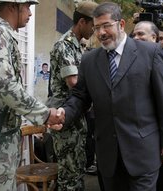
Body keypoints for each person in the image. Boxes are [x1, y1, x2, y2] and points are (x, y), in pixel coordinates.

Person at [50, 2, 163, 191]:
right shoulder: (89, 60)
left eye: (106, 25)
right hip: (108, 157)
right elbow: (80, 97)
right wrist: (65, 113)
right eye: (97, 27)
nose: (101, 32)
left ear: (121, 24)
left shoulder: (150, 53)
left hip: (143, 154)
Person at [0, 0, 63, 190]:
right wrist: (45, 114)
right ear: (13, 6)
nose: (30, 13)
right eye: (27, 6)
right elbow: (6, 87)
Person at [46, 1, 98, 190]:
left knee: (77, 169)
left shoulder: (78, 46)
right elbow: (74, 82)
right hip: (64, 117)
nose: (95, 30)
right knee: (69, 175)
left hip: (76, 116)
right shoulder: (64, 46)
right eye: (94, 25)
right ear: (82, 22)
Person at [132, 20, 163, 191]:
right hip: (137, 139)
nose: (136, 38)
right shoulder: (126, 62)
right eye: (134, 35)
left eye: (141, 34)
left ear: (155, 38)